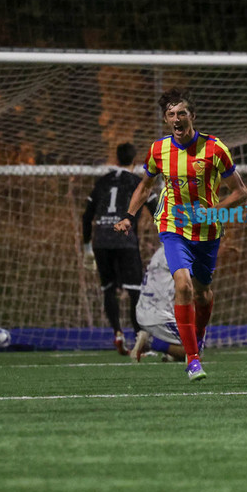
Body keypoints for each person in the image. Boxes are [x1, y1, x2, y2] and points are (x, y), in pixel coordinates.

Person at [115, 88, 247, 382]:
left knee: (202, 293)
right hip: (172, 226)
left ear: (192, 116)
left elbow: (241, 193)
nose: (176, 118)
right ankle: (192, 360)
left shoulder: (215, 149)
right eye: (171, 114)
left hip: (208, 231)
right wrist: (129, 216)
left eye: (182, 113)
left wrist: (213, 211)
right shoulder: (158, 150)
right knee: (183, 285)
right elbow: (145, 186)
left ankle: (197, 339)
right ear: (166, 120)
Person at [81, 143, 158, 355]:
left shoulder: (103, 181)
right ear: (134, 162)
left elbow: (87, 216)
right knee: (135, 291)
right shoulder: (138, 182)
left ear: (116, 160)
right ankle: (140, 340)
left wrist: (87, 247)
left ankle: (117, 333)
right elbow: (157, 211)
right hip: (125, 240)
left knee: (108, 289)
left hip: (101, 241)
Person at [129, 245, 187, 362]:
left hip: (143, 310)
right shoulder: (177, 252)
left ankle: (170, 352)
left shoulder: (160, 252)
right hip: (159, 317)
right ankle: (150, 341)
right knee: (195, 351)